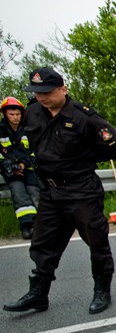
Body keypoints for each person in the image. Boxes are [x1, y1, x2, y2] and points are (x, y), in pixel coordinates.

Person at [3, 67, 116, 315]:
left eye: (47, 92)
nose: (41, 97)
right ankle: (39, 294)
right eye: (37, 93)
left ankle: (102, 289)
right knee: (42, 244)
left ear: (63, 89)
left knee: (96, 242)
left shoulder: (85, 118)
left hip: (81, 190)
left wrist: (87, 156)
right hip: (51, 192)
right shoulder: (33, 113)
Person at [0, 96, 42, 239]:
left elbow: (33, 150)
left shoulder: (27, 130)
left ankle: (41, 225)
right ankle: (27, 226)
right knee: (19, 193)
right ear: (5, 114)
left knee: (34, 192)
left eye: (17, 114)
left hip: (28, 168)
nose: (15, 117)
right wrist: (7, 163)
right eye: (11, 114)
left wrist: (24, 163)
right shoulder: (0, 131)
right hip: (10, 170)